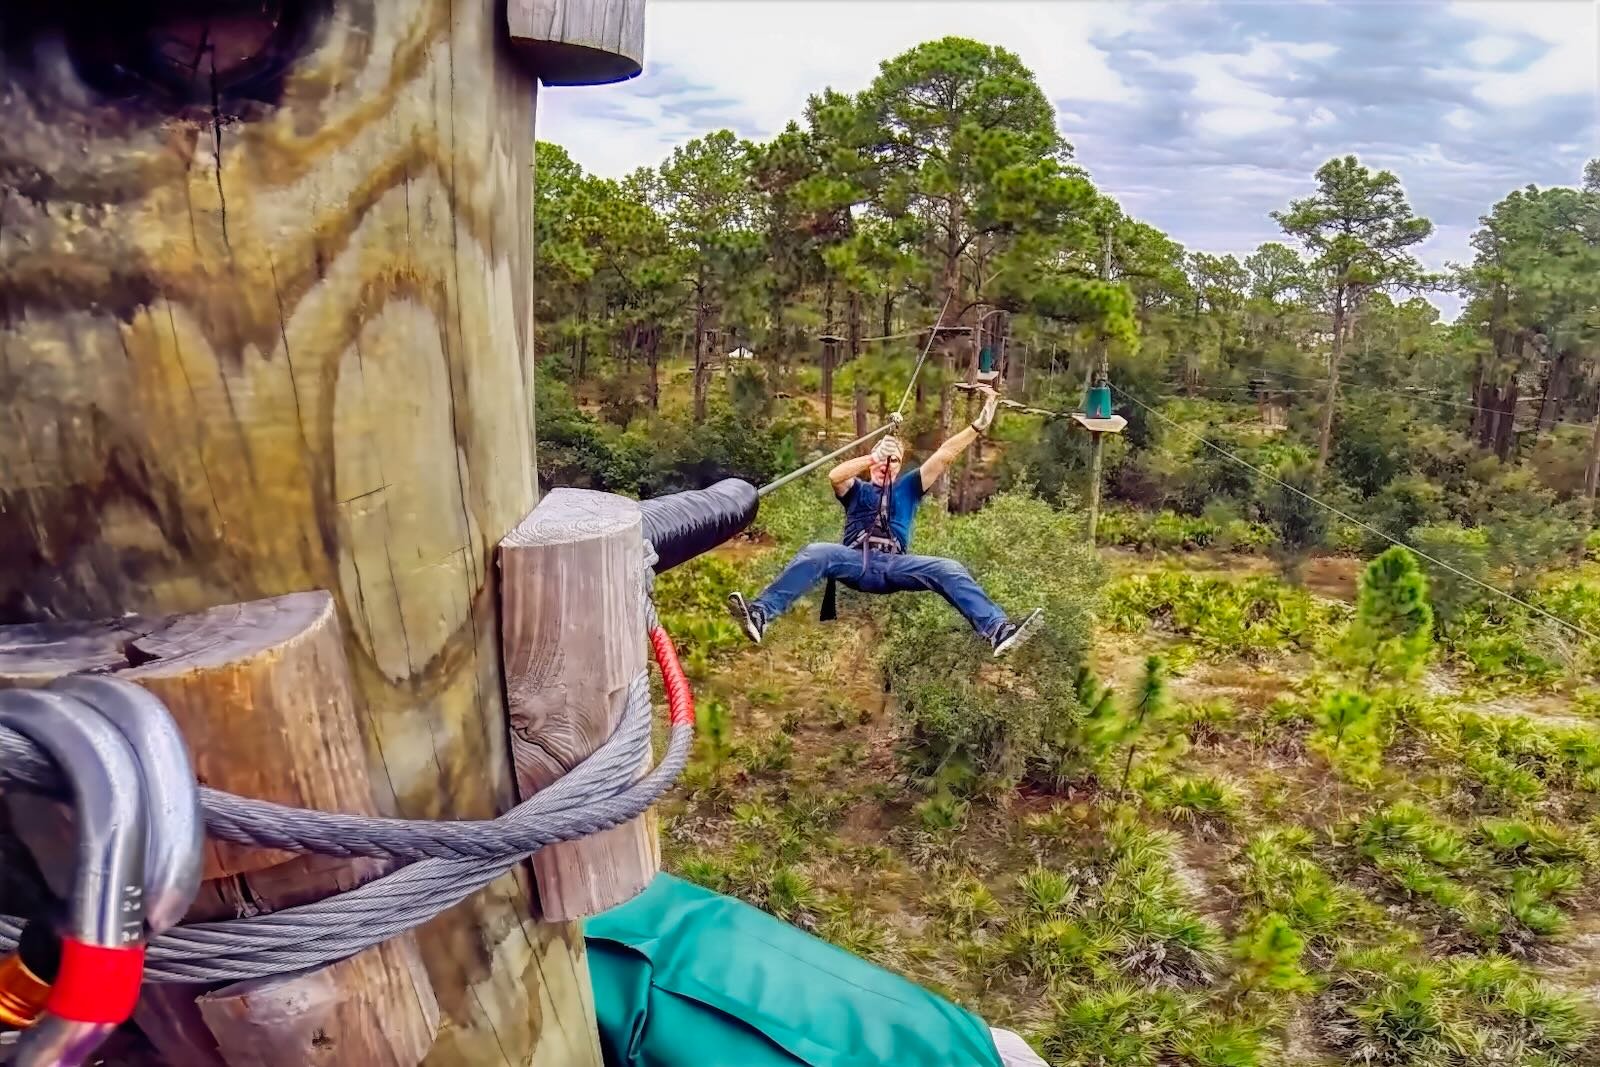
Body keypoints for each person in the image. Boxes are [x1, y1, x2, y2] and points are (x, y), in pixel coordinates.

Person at [728, 387, 1043, 657]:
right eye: (881, 461)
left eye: (893, 462)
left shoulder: (908, 488)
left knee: (949, 569)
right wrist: (874, 456)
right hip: (856, 562)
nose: (885, 466)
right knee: (816, 552)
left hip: (894, 565)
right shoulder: (858, 490)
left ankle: (998, 630)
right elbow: (835, 476)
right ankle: (761, 614)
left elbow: (944, 456)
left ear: (900, 466)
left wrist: (977, 426)